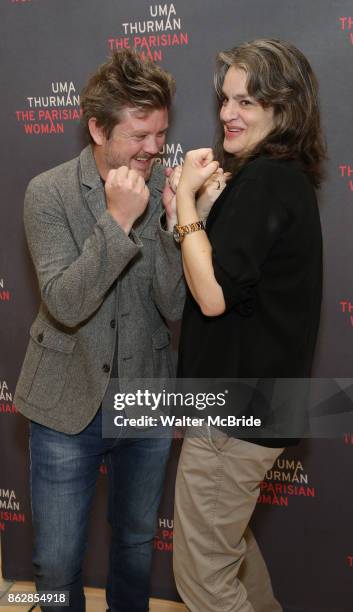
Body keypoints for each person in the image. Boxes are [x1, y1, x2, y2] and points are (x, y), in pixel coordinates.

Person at [14, 50, 184, 612]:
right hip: (68, 401)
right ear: (96, 127)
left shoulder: (166, 186)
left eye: (161, 133)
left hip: (146, 397)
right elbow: (64, 302)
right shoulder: (49, 192)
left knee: (136, 546)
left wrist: (168, 222)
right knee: (58, 562)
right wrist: (117, 222)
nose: (154, 149)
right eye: (140, 135)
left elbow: (175, 303)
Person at [172, 39, 326, 612]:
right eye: (225, 100)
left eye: (247, 102)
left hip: (234, 413)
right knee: (229, 551)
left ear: (283, 110)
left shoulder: (263, 182)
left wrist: (187, 203)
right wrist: (200, 215)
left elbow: (211, 296)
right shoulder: (284, 181)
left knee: (203, 578)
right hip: (260, 406)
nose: (228, 114)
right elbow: (238, 285)